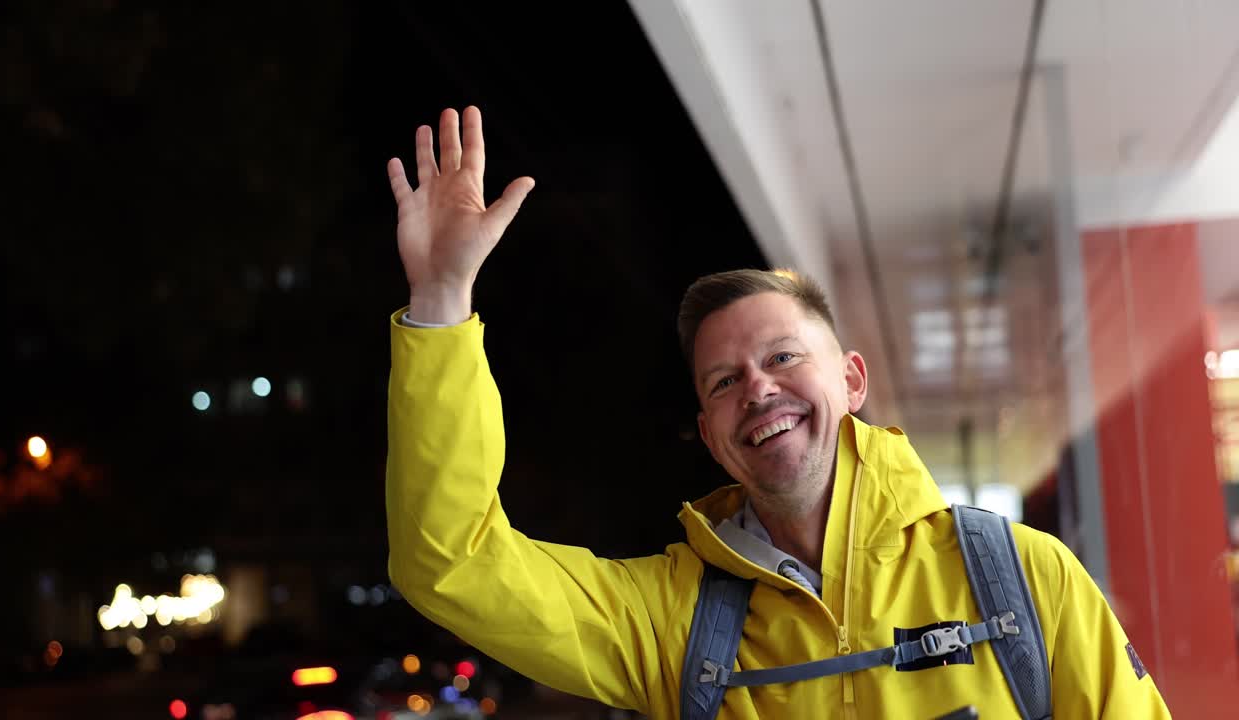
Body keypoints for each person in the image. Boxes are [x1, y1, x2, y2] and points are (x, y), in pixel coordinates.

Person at [383, 106, 1171, 719]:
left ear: (853, 380)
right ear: (711, 438)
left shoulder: (1025, 579)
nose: (757, 389)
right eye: (723, 382)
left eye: (784, 357)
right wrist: (442, 303)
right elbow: (450, 564)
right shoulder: (670, 621)